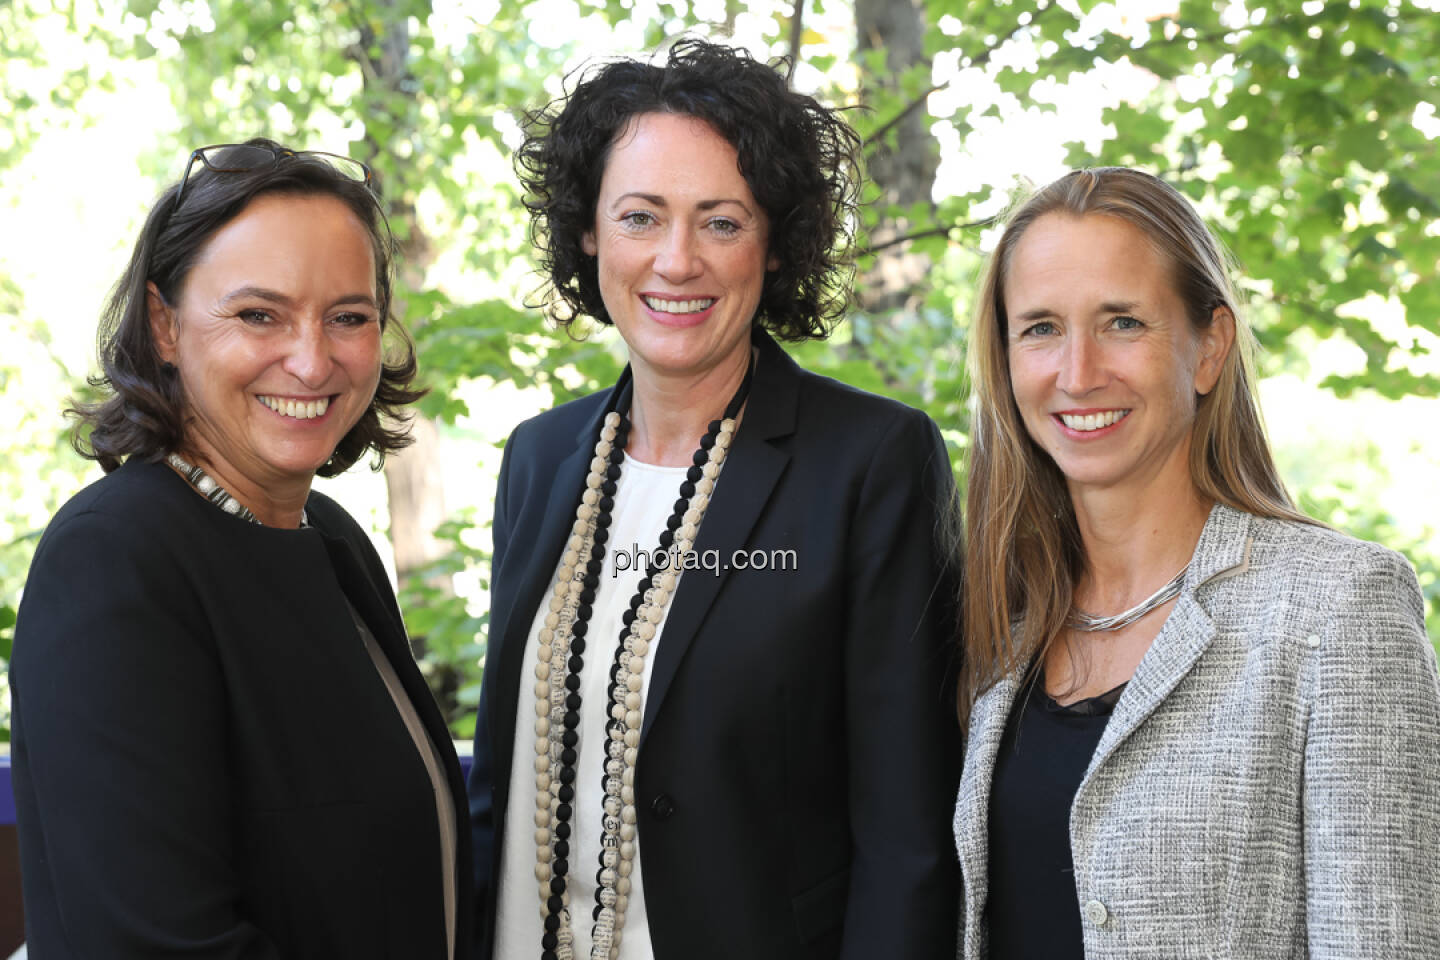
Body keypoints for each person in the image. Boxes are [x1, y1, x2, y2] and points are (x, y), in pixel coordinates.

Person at [468, 39, 960, 960]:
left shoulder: (872, 463)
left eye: (722, 222)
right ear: (589, 232)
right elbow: (500, 778)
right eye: (641, 217)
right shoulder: (537, 460)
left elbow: (908, 839)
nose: (677, 260)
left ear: (774, 244)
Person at [953, 166, 1440, 959]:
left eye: (1122, 323)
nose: (1077, 373)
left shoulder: (1337, 609)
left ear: (1209, 347)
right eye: (1040, 328)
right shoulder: (1003, 628)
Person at [10, 139, 472, 960]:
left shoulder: (332, 540)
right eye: (259, 314)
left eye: (349, 316)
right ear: (164, 325)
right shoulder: (116, 562)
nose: (310, 357)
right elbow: (152, 944)